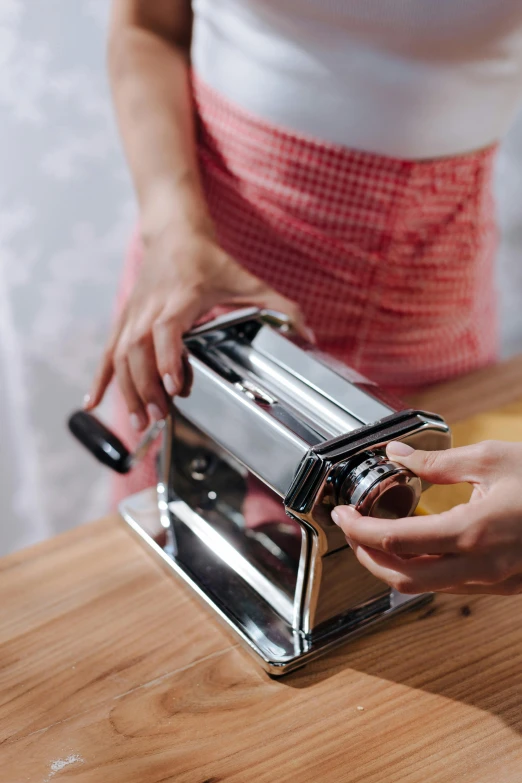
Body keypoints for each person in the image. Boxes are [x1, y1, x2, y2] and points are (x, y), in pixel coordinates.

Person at [84, 0, 522, 595]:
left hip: (426, 299)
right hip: (199, 273)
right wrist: (172, 235)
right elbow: (147, 25)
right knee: (160, 579)